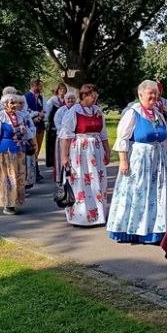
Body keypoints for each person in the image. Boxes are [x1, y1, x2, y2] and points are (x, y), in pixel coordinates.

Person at [106, 80, 167, 243]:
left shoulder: (157, 113)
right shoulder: (133, 113)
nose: (154, 96)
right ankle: (135, 229)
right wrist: (123, 161)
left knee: (155, 194)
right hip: (140, 159)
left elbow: (164, 135)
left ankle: (154, 230)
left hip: (157, 160)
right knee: (139, 192)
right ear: (140, 94)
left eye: (156, 93)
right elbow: (122, 137)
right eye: (151, 93)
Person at [61, 83, 110, 226]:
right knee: (81, 181)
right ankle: (81, 216)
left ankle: (98, 214)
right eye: (93, 96)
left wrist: (107, 151)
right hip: (80, 151)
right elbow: (66, 135)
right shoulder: (74, 111)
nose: (95, 99)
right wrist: (64, 156)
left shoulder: (97, 111)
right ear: (84, 96)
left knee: (97, 182)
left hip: (96, 149)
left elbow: (103, 134)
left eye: (96, 96)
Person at [0, 93, 35, 215]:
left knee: (19, 178)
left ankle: (15, 201)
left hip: (19, 152)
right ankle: (8, 204)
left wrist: (26, 133)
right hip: (4, 153)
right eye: (12, 103)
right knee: (7, 179)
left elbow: (29, 134)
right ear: (5, 104)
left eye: (16, 103)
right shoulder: (0, 118)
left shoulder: (21, 116)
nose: (15, 105)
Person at [53, 88, 78, 183]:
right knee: (62, 157)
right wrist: (66, 133)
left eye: (72, 99)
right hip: (62, 138)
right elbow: (57, 124)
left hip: (75, 138)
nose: (70, 101)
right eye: (68, 99)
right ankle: (61, 177)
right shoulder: (61, 111)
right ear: (65, 100)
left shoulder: (78, 110)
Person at [25, 79, 46, 181]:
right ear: (33, 85)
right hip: (31, 125)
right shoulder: (26, 96)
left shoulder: (41, 97)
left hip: (40, 125)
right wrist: (37, 114)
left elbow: (45, 109)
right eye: (39, 86)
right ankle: (34, 171)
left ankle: (35, 171)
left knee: (38, 148)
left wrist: (41, 116)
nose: (40, 88)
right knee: (34, 148)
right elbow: (26, 110)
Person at [44, 82, 68, 171]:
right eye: (60, 89)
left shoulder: (66, 100)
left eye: (63, 89)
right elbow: (47, 112)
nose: (62, 91)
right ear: (57, 91)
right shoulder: (53, 100)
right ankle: (54, 165)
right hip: (53, 126)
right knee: (53, 146)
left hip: (65, 126)